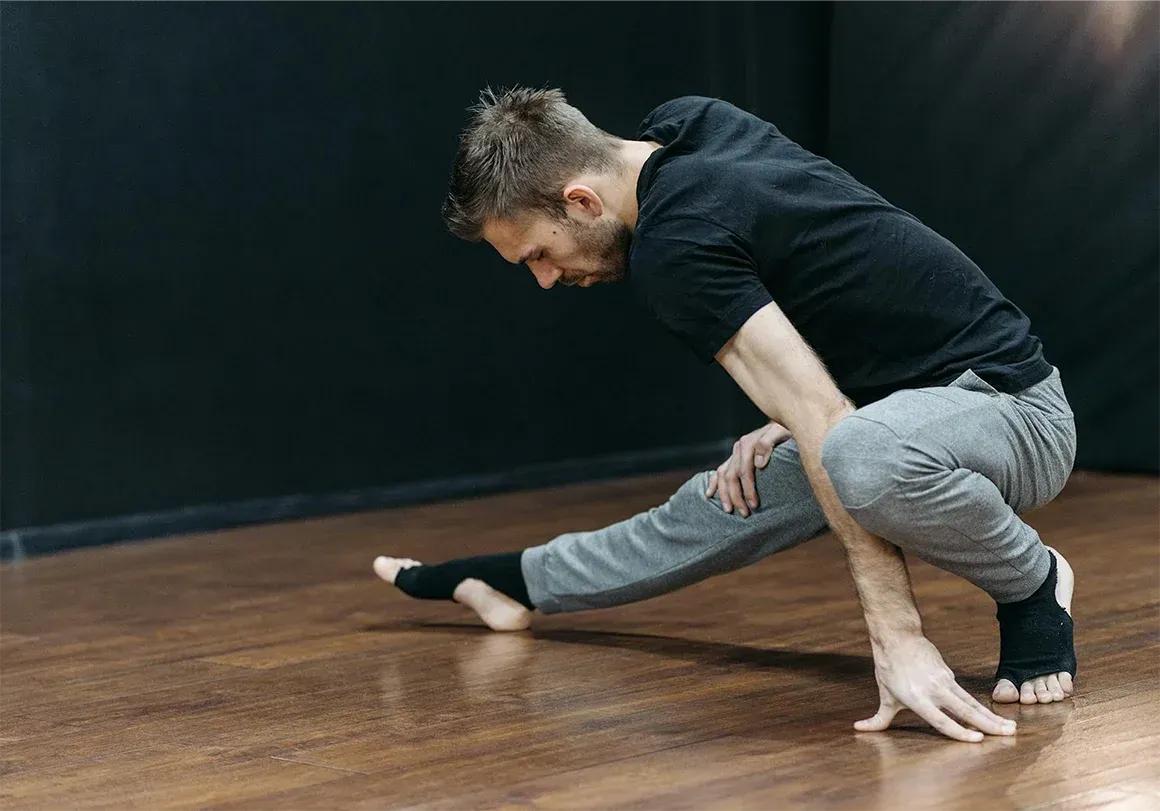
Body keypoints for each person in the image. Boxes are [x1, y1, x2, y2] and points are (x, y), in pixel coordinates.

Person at [375, 87, 1078, 743]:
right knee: (717, 504)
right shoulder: (691, 125)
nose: (547, 278)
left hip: (1013, 407)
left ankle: (1032, 580)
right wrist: (798, 408)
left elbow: (821, 415)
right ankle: (508, 579)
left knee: (856, 455)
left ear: (583, 201)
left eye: (538, 253)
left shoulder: (674, 249)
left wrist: (898, 636)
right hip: (895, 408)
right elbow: (830, 276)